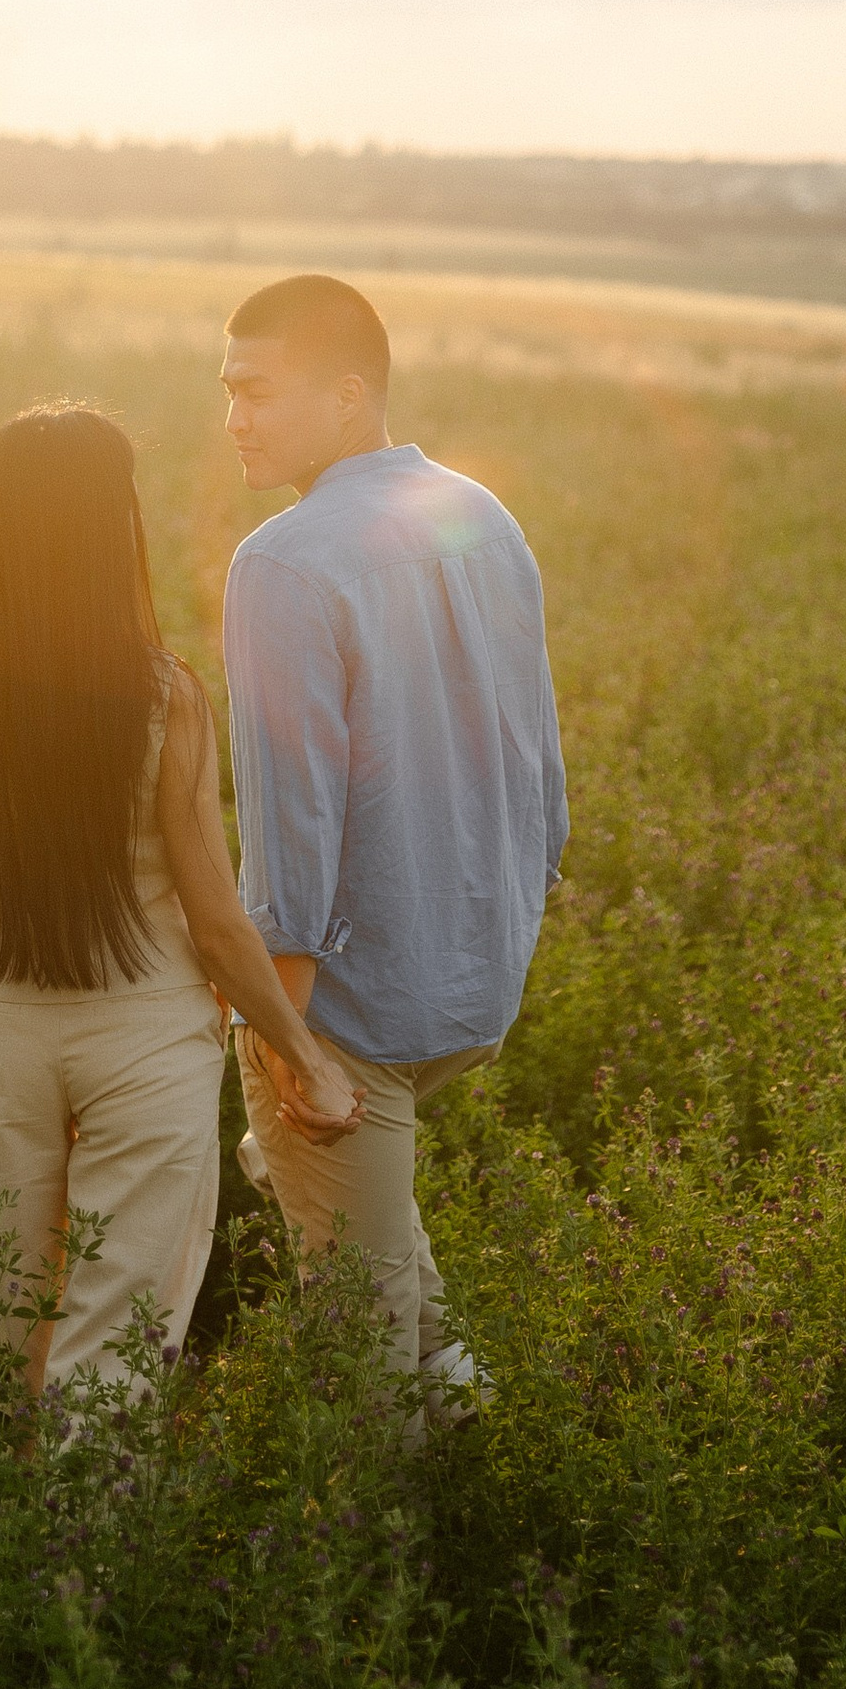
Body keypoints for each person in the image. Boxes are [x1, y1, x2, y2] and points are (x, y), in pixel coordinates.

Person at [0, 400, 361, 1401]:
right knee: (118, 1346)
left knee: (22, 1336)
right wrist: (303, 1056)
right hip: (147, 1043)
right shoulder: (164, 697)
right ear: (115, 528)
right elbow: (220, 925)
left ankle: (31, 1542)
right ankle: (87, 1553)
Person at [220, 274, 568, 1411]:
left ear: (348, 393)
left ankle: (380, 1568)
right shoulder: (479, 514)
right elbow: (535, 754)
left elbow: (293, 815)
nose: (234, 419)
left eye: (258, 392)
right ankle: (482, 1450)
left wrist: (285, 1032)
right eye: (225, 394)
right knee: (382, 1253)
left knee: (356, 1356)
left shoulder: (283, 560)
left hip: (345, 1009)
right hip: (469, 984)